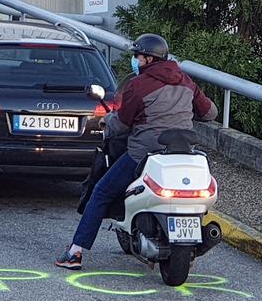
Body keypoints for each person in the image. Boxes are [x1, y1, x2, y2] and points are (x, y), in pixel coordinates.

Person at [55, 33, 217, 270]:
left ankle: (75, 252)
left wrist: (106, 122)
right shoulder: (186, 81)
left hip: (144, 153)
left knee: (100, 192)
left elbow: (122, 123)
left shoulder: (139, 85)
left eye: (138, 56)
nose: (135, 61)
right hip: (181, 154)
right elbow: (210, 113)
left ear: (149, 59)